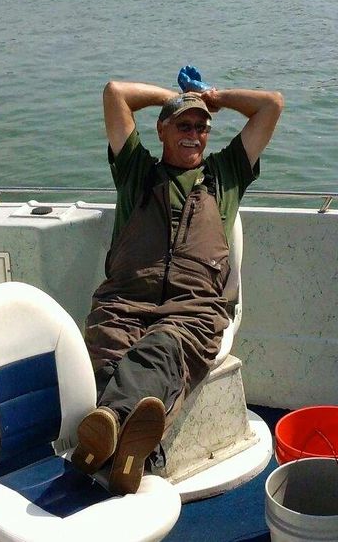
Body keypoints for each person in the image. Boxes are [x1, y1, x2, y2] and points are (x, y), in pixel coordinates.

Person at [72, 66, 284, 495]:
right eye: (183, 124)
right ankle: (138, 454)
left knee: (162, 347)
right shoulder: (135, 171)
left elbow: (270, 106)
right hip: (123, 302)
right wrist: (174, 95)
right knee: (109, 351)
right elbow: (115, 91)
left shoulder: (226, 175)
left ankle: (110, 429)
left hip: (193, 309)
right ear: (161, 130)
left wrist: (212, 97)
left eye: (201, 127)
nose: (194, 133)